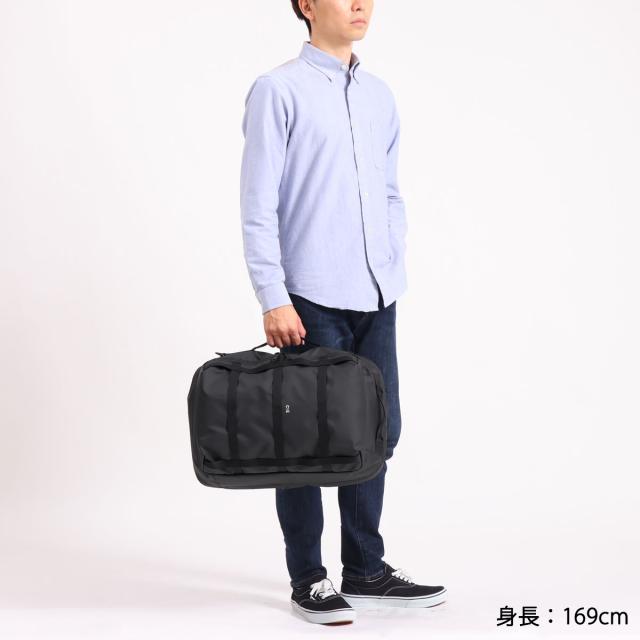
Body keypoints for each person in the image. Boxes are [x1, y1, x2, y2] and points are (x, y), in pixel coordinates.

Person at [239, 0, 446, 625]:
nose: (361, 4)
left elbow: (390, 191)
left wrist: (392, 256)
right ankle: (308, 578)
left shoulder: (380, 95)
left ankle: (365, 570)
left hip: (377, 293)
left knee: (376, 434)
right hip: (309, 295)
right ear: (306, 5)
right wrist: (273, 295)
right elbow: (257, 201)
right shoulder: (277, 90)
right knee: (304, 443)